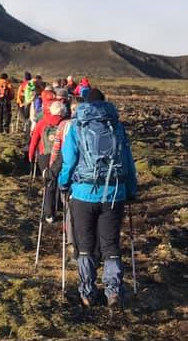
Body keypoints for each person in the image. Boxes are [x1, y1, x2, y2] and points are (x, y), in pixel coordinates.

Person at [59, 88, 138, 309]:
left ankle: (87, 292)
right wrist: (131, 189)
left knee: (85, 246)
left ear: (84, 103)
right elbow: (128, 161)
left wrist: (63, 183)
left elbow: (70, 160)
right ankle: (113, 292)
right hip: (114, 194)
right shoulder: (117, 127)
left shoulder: (77, 126)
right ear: (105, 103)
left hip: (83, 194)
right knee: (110, 244)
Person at [28, 100, 68, 223]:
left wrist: (31, 156)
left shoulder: (42, 122)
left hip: (44, 156)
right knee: (60, 180)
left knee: (49, 183)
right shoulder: (65, 123)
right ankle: (60, 205)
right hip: (61, 156)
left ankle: (49, 213)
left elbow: (34, 140)